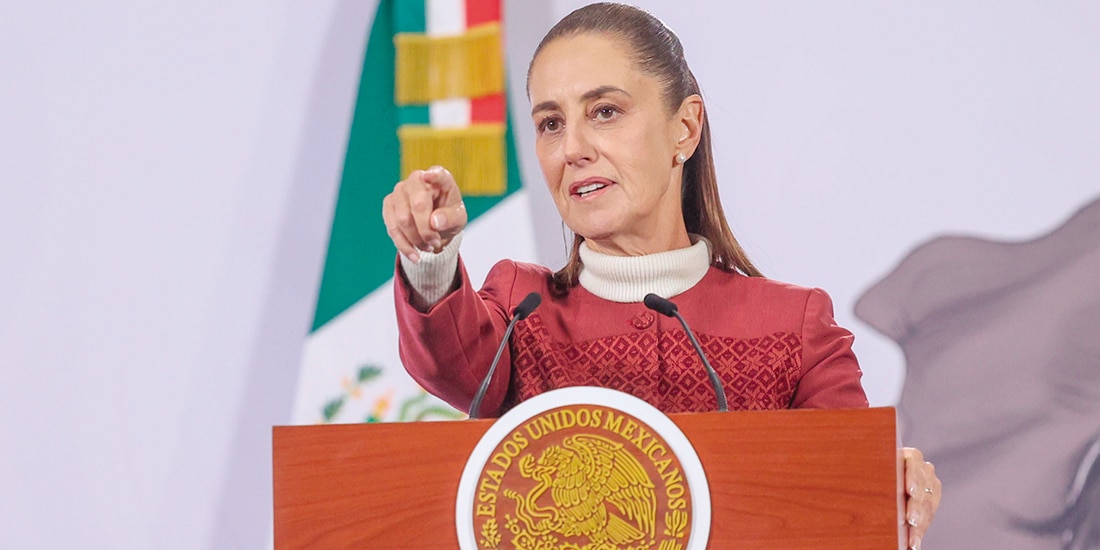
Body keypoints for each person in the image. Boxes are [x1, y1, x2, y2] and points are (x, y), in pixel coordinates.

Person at [382, 3, 941, 548]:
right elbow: (451, 363)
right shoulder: (518, 310)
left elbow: (844, 498)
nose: (572, 149)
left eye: (604, 111)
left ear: (685, 128)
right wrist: (429, 256)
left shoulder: (794, 325)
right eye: (551, 123)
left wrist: (886, 484)